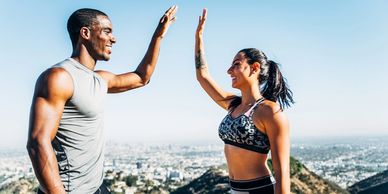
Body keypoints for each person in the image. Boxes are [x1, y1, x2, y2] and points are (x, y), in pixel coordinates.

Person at [27, 6, 177, 194]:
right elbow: (37, 143)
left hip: (97, 187)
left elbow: (141, 77)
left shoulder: (99, 79)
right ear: (85, 33)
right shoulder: (59, 77)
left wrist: (159, 35)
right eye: (107, 31)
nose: (113, 39)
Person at [195, 9, 293, 194]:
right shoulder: (233, 104)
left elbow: (282, 172)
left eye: (236, 64)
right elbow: (202, 76)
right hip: (235, 190)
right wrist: (199, 37)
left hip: (260, 190)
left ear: (254, 68)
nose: (229, 70)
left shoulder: (270, 112)